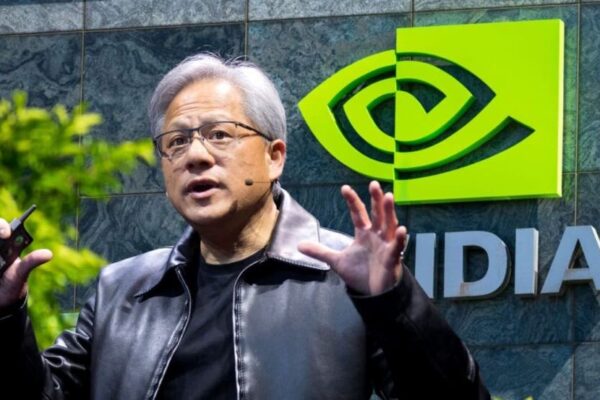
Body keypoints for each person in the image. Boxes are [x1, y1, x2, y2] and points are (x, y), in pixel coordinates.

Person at [0, 53, 490, 399]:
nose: (195, 155)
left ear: (275, 156)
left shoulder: (346, 281)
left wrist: (392, 303)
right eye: (176, 142)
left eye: (219, 134)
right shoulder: (122, 291)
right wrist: (4, 317)